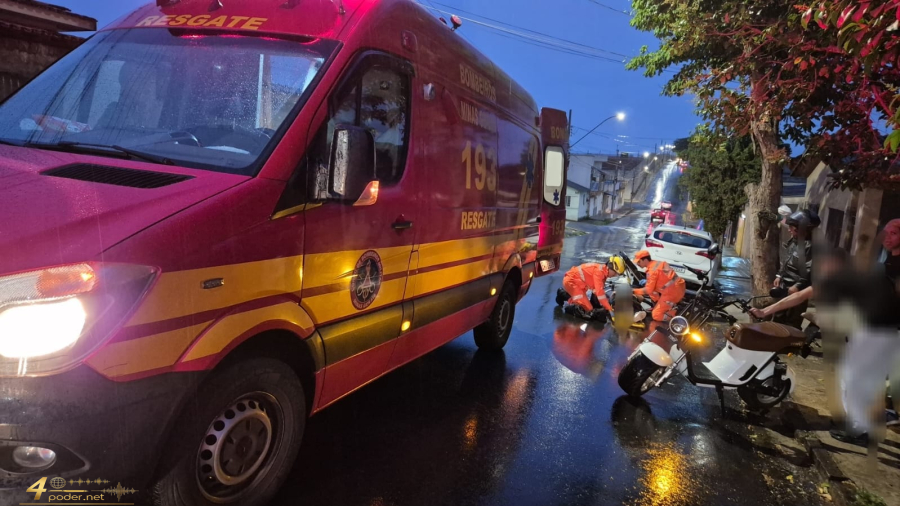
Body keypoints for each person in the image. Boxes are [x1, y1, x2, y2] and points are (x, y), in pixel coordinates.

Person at [772, 209, 820, 328]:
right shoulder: (794, 241)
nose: (789, 230)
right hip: (784, 286)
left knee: (791, 323)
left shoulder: (811, 246)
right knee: (778, 318)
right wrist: (780, 275)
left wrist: (798, 286)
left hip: (796, 290)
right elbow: (787, 259)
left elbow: (809, 271)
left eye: (792, 227)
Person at [561, 256, 626, 320]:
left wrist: (599, 306)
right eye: (615, 273)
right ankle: (567, 308)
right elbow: (600, 293)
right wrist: (609, 309)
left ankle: (564, 294)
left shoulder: (603, 273)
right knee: (588, 311)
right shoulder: (599, 273)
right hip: (571, 282)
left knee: (591, 306)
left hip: (577, 284)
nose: (614, 276)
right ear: (611, 267)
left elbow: (596, 292)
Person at [632, 250, 686, 322]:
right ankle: (660, 305)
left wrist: (633, 291)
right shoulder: (657, 263)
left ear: (645, 260)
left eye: (639, 261)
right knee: (652, 290)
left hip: (672, 293)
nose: (637, 264)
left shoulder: (652, 271)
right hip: (679, 287)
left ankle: (675, 314)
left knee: (656, 315)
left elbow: (648, 290)